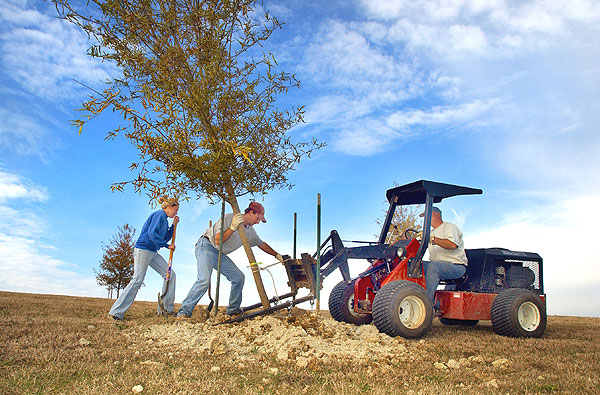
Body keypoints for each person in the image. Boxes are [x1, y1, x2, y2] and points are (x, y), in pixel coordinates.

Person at [177, 202, 284, 319]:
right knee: (204, 280)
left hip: (219, 253)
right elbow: (218, 240)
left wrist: (277, 255)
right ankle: (184, 312)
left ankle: (232, 311)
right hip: (206, 246)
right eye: (258, 218)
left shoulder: (250, 231)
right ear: (251, 212)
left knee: (238, 277)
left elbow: (261, 244)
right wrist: (232, 227)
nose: (258, 222)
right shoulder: (229, 218)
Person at [108, 197, 179, 320]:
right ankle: (116, 312)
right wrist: (167, 246)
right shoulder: (159, 215)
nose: (176, 213)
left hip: (153, 251)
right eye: (176, 210)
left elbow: (165, 237)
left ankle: (165, 309)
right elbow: (152, 234)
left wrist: (173, 226)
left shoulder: (166, 220)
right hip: (143, 249)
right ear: (169, 207)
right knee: (137, 279)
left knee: (170, 275)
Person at [421, 206, 467, 307]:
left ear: (437, 214)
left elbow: (452, 245)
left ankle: (426, 304)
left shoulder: (449, 227)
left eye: (428, 215)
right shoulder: (430, 233)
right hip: (437, 265)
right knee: (415, 265)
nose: (425, 219)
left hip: (456, 266)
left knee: (433, 267)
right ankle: (416, 297)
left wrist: (433, 239)